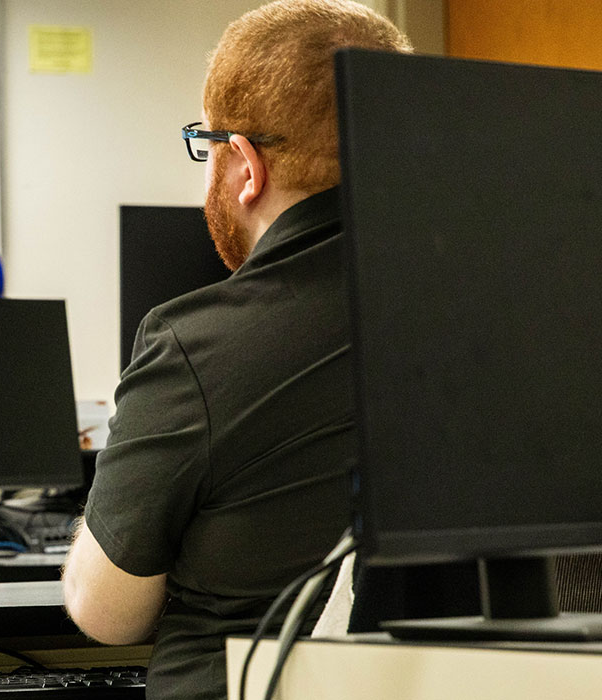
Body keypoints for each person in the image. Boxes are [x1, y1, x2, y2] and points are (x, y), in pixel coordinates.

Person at [61, 2, 412, 698]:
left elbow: (105, 614)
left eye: (208, 146)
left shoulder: (196, 344)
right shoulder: (493, 310)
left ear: (245, 165)